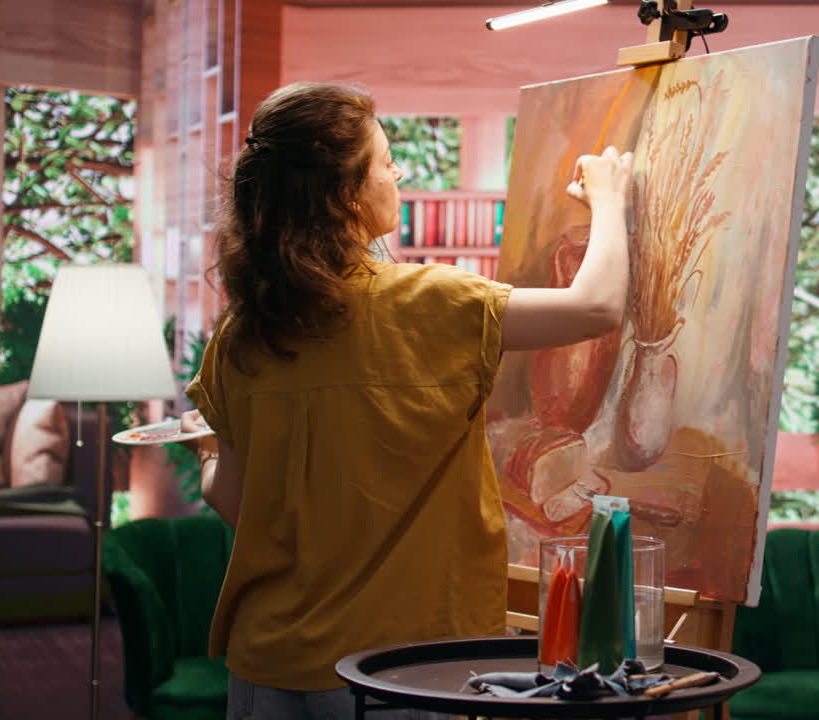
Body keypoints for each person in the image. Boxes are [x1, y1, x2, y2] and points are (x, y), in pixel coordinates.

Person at [180, 81, 633, 719]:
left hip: (267, 667)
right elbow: (595, 307)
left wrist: (204, 450)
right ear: (345, 194)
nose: (398, 173)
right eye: (385, 161)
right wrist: (610, 200)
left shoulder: (240, 334)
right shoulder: (435, 303)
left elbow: (230, 498)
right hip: (403, 671)